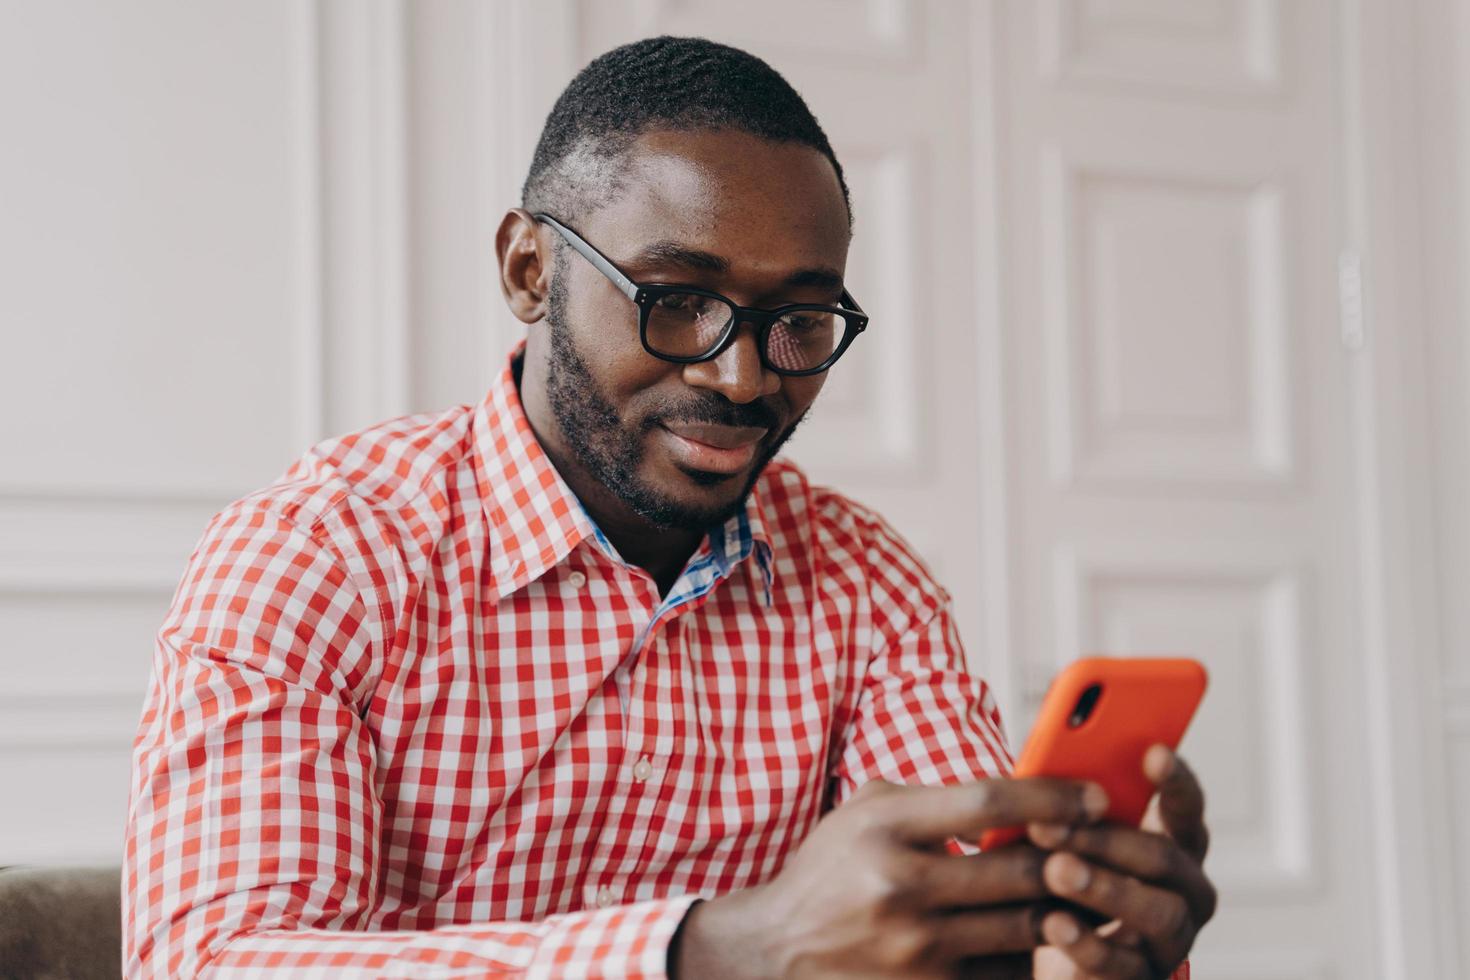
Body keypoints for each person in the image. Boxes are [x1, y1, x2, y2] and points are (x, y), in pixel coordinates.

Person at [123, 36, 1215, 979]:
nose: (743, 378)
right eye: (678, 302)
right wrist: (709, 950)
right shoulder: (321, 551)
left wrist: (1067, 940)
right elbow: (219, 958)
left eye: (799, 320)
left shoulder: (866, 582)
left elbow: (950, 930)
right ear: (527, 267)